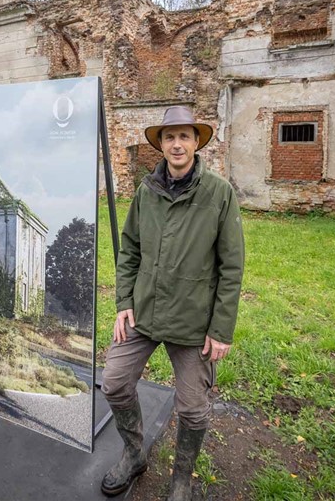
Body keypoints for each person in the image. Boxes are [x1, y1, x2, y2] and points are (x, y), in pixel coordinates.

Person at [100, 106, 245, 500]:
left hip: (193, 322)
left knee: (194, 410)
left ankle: (181, 478)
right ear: (160, 145)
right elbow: (129, 250)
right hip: (144, 311)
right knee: (113, 382)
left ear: (196, 142)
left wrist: (220, 329)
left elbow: (231, 267)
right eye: (169, 137)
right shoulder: (146, 192)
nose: (177, 144)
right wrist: (124, 301)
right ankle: (133, 455)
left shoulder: (219, 193)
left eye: (184, 136)